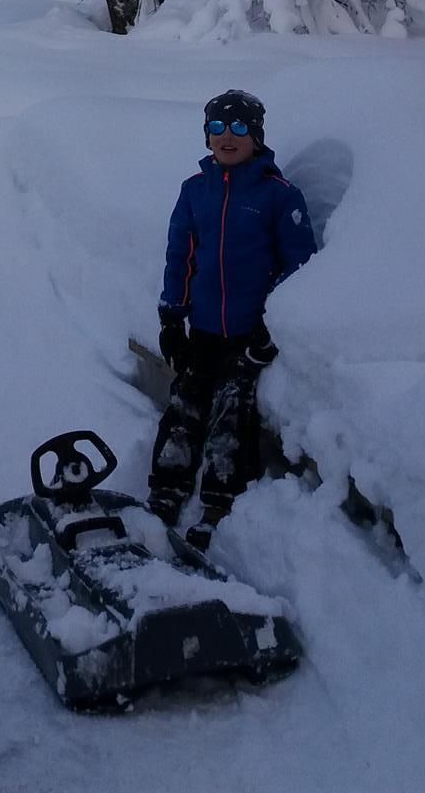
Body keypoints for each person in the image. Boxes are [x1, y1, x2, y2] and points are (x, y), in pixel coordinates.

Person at [149, 89, 316, 550]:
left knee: (232, 410)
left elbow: (300, 267)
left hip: (249, 333)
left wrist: (272, 328)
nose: (228, 136)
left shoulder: (278, 195)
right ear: (206, 136)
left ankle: (219, 504)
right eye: (217, 128)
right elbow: (180, 257)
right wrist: (171, 318)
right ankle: (166, 490)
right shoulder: (194, 191)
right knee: (185, 403)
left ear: (256, 136)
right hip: (203, 328)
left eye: (239, 127)